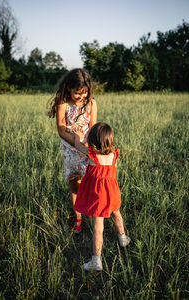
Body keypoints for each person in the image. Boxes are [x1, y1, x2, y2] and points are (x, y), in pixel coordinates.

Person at [74, 122, 130, 271]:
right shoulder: (113, 155)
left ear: (93, 142)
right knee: (116, 214)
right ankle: (123, 237)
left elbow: (77, 145)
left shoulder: (93, 156)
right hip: (112, 192)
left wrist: (78, 136)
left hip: (99, 197)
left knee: (98, 228)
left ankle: (96, 261)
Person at [48, 68, 97, 232]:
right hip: (70, 150)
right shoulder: (63, 104)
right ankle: (78, 218)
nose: (81, 97)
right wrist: (76, 144)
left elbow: (93, 128)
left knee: (90, 184)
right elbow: (61, 130)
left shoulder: (91, 103)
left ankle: (93, 214)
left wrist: (88, 148)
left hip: (86, 150)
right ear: (69, 88)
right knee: (74, 184)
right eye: (77, 93)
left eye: (84, 93)